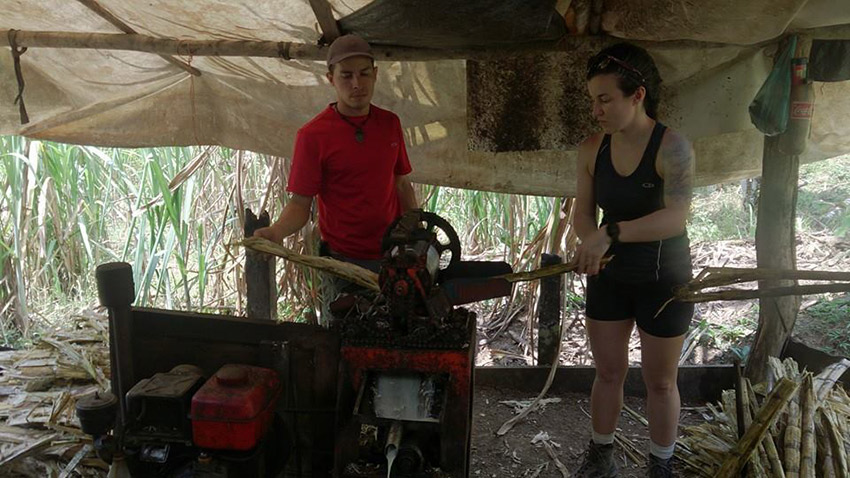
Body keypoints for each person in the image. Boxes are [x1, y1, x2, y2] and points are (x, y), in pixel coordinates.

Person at [572, 43, 695, 478]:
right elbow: (582, 213)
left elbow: (676, 217)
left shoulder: (672, 147)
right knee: (608, 371)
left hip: (665, 277)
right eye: (593, 100)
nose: (596, 110)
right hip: (610, 275)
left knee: (660, 381)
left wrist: (611, 234)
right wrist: (592, 243)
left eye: (605, 99)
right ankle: (600, 452)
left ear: (637, 95)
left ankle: (661, 462)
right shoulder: (593, 149)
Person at [253, 34, 417, 321]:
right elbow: (300, 204)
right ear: (331, 79)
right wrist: (276, 232)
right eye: (347, 76)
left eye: (364, 74)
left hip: (392, 257)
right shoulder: (313, 136)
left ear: (376, 75)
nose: (357, 84)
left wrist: (417, 236)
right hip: (342, 262)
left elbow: (402, 184)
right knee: (345, 339)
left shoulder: (390, 124)